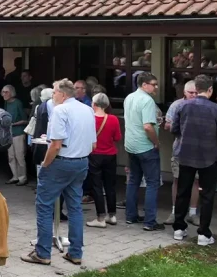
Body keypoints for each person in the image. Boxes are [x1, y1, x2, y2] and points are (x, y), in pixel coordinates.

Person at [23, 79, 95, 267]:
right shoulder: (87, 109)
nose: (52, 95)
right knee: (75, 207)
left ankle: (43, 252)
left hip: (61, 162)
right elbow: (92, 143)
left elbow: (55, 145)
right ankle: (75, 252)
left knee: (44, 205)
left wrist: (46, 165)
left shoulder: (60, 110)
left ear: (62, 94)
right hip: (81, 162)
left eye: (54, 92)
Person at [170, 75, 217, 246]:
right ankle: (204, 233)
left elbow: (174, 128)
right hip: (209, 156)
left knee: (183, 191)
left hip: (186, 154)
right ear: (210, 90)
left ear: (196, 88)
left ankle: (179, 229)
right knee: (207, 195)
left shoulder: (183, 106)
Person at [123, 72, 163, 230]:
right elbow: (147, 126)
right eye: (154, 84)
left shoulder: (129, 97)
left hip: (131, 145)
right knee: (152, 183)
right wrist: (156, 142)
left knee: (133, 180)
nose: (156, 87)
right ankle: (150, 221)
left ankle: (130, 216)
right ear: (144, 84)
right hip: (145, 146)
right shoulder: (147, 100)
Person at [163, 80, 201, 226]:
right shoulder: (176, 105)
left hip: (198, 151)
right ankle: (175, 211)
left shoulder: (202, 105)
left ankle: (192, 213)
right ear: (184, 92)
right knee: (177, 180)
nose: (194, 95)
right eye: (191, 93)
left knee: (196, 182)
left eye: (196, 93)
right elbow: (167, 125)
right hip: (180, 148)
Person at [86, 93, 122, 228]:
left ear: (94, 104)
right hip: (111, 155)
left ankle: (100, 217)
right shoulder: (113, 119)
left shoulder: (90, 119)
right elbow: (117, 138)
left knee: (97, 187)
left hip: (94, 155)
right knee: (110, 186)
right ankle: (112, 215)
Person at [1, 85, 29, 185]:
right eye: (3, 92)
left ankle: (22, 177)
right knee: (11, 156)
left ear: (11, 93)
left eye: (6, 92)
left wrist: (13, 124)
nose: (4, 94)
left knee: (19, 156)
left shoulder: (17, 103)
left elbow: (25, 120)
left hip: (18, 132)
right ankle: (15, 176)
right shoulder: (6, 103)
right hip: (9, 133)